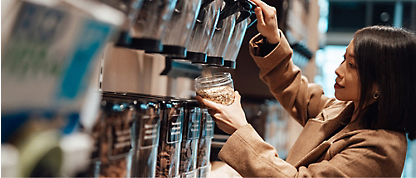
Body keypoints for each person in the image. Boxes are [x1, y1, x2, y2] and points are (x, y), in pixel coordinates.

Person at [196, 0, 416, 177]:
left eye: (351, 65)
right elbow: (296, 91)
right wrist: (273, 39)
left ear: (382, 84)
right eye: (343, 59)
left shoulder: (380, 150)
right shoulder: (350, 110)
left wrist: (240, 130)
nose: (338, 71)